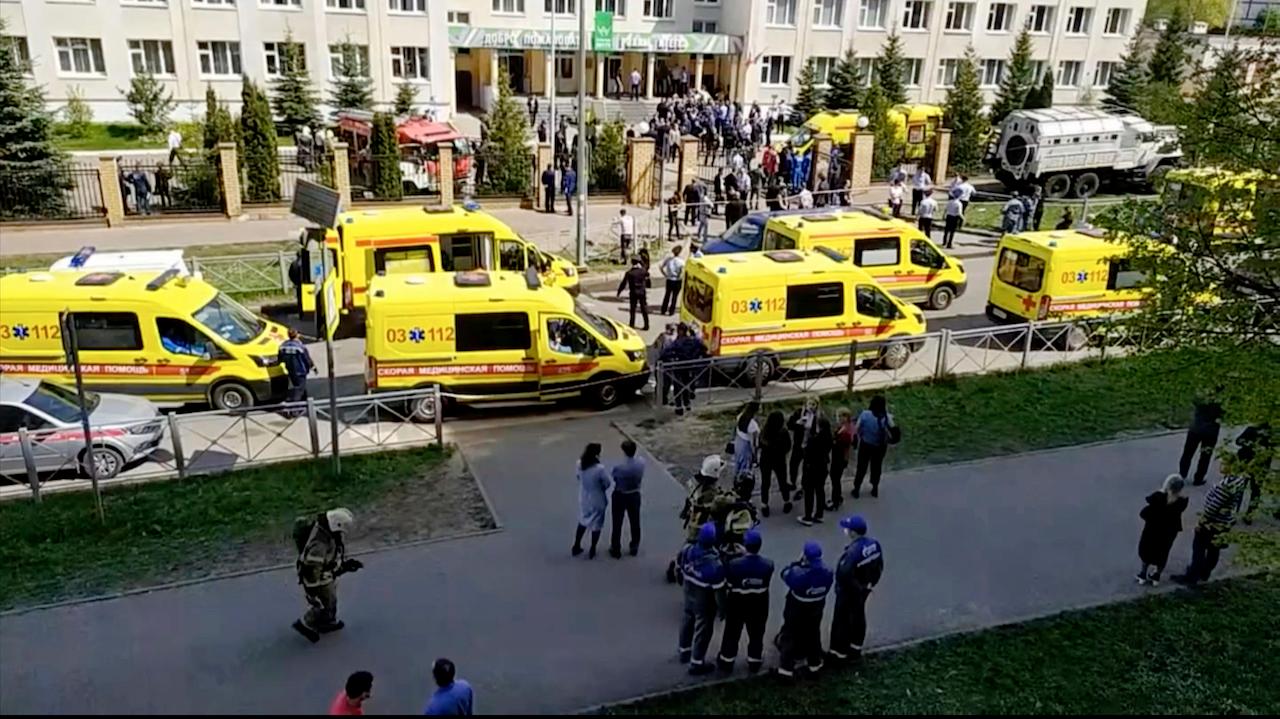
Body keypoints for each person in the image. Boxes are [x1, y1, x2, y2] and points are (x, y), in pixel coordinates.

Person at [1172, 454, 1251, 586]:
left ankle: (1192, 576)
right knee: (1214, 548)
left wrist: (1202, 522)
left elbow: (1213, 507)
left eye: (1224, 464)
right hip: (1225, 521)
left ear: (1231, 466)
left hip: (1212, 522)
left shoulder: (1225, 486)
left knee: (1199, 547)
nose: (1220, 466)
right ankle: (1205, 572)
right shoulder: (1239, 480)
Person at [292, 508, 362, 643]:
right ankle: (306, 624)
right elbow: (312, 568)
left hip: (323, 575)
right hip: (318, 579)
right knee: (324, 602)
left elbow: (330, 559)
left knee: (329, 601)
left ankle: (326, 622)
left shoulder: (327, 534)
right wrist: (313, 590)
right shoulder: (319, 544)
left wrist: (344, 566)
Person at [716, 528, 773, 674]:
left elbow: (728, 583)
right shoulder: (768, 564)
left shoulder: (735, 564)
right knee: (757, 633)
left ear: (745, 544)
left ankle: (726, 661)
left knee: (732, 632)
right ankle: (754, 660)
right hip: (759, 604)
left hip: (737, 603)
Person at [829, 515, 884, 661]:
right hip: (864, 588)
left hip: (850, 591)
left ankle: (838, 653)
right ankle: (855, 646)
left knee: (842, 620)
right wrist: (869, 585)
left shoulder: (853, 552)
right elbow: (880, 566)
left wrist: (853, 588)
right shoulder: (874, 545)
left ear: (853, 532)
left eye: (847, 528)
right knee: (859, 615)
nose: (845, 531)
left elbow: (843, 573)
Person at [776, 541, 834, 678]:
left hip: (797, 607)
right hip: (816, 606)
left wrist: (797, 563)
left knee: (790, 634)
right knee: (813, 633)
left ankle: (786, 670)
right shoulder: (828, 572)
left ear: (805, 556)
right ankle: (815, 665)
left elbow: (784, 573)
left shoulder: (798, 574)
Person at [678, 522, 726, 675]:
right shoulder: (715, 565)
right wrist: (722, 610)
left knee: (687, 621)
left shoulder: (687, 551)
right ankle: (696, 663)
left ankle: (684, 651)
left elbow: (678, 568)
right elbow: (719, 593)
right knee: (703, 631)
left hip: (688, 594)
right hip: (704, 602)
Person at [1136, 474, 1189, 586]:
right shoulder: (1181, 502)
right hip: (1168, 532)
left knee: (1146, 551)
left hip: (1152, 530)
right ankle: (1156, 575)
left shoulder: (1158, 497)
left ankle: (1143, 574)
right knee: (1163, 552)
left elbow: (1145, 510)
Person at [851, 395, 896, 499]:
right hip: (880, 447)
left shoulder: (865, 415)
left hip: (865, 445)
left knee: (861, 467)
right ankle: (874, 488)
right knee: (876, 467)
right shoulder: (886, 417)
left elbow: (856, 429)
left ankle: (856, 489)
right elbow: (894, 431)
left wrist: (855, 440)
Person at [572, 443, 611, 559]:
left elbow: (578, 477)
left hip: (584, 497)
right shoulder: (599, 469)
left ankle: (576, 545)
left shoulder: (579, 463)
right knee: (597, 525)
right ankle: (593, 548)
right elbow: (607, 483)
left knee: (583, 520)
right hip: (597, 498)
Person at [1179, 388, 1223, 486]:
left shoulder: (1201, 398)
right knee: (1205, 456)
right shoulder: (1221, 403)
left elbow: (1194, 400)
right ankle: (1198, 478)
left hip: (1195, 429)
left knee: (1188, 453)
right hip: (1211, 432)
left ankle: (1182, 475)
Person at [661, 323, 708, 415]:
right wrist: (696, 357)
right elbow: (704, 349)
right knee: (687, 385)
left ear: (680, 331)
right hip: (690, 366)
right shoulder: (694, 341)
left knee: (678, 386)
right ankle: (687, 404)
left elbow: (665, 353)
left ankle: (679, 407)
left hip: (679, 366)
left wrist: (671, 357)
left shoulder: (678, 343)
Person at [609, 440, 645, 559]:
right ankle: (634, 546)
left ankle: (616, 548)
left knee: (617, 522)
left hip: (620, 494)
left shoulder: (620, 467)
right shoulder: (641, 463)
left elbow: (614, 478)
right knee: (635, 521)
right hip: (634, 494)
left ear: (624, 451)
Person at [799, 416, 832, 526]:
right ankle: (819, 514)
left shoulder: (814, 439)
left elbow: (806, 453)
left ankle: (808, 517)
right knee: (820, 490)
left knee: (809, 492)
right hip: (822, 467)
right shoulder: (828, 437)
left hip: (812, 468)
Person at [758, 410, 792, 517]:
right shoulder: (783, 432)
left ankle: (764, 504)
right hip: (779, 460)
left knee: (765, 483)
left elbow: (760, 445)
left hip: (765, 459)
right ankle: (786, 501)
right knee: (782, 482)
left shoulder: (764, 431)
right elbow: (788, 446)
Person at [787, 398, 820, 497]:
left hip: (809, 446)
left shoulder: (818, 417)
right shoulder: (799, 413)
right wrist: (798, 423)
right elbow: (789, 425)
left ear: (817, 406)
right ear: (806, 404)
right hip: (798, 444)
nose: (811, 406)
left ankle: (803, 486)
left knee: (806, 467)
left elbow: (819, 431)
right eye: (809, 404)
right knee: (794, 464)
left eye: (813, 404)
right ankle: (792, 482)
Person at [278, 329, 316, 406]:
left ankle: (305, 401)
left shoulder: (283, 346)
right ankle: (295, 409)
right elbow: (307, 359)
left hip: (290, 370)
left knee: (298, 385)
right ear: (297, 335)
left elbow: (280, 358)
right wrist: (313, 367)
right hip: (300, 371)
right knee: (299, 389)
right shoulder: (300, 347)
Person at [828, 408, 854, 512]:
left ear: (846, 417)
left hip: (840, 458)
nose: (839, 418)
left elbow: (841, 444)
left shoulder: (846, 431)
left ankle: (835, 501)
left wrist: (833, 440)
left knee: (835, 479)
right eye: (838, 416)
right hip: (839, 457)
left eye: (841, 416)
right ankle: (837, 498)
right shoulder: (843, 428)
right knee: (836, 479)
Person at [616, 258, 650, 331]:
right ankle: (646, 325)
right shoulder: (643, 271)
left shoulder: (629, 273)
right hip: (642, 292)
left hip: (633, 292)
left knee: (632, 309)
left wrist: (619, 291)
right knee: (644, 308)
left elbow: (623, 283)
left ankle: (632, 324)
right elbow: (648, 277)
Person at [733, 401, 760, 480]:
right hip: (746, 445)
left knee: (738, 463)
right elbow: (754, 443)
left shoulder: (740, 416)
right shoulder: (753, 425)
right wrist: (755, 457)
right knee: (745, 468)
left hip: (738, 442)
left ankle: (736, 480)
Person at [659, 245, 685, 316]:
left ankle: (663, 309)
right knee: (674, 296)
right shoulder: (681, 262)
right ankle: (671, 311)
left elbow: (661, 267)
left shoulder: (668, 260)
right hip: (677, 280)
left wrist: (665, 274)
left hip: (669, 279)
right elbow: (682, 272)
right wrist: (680, 277)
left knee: (667, 295)